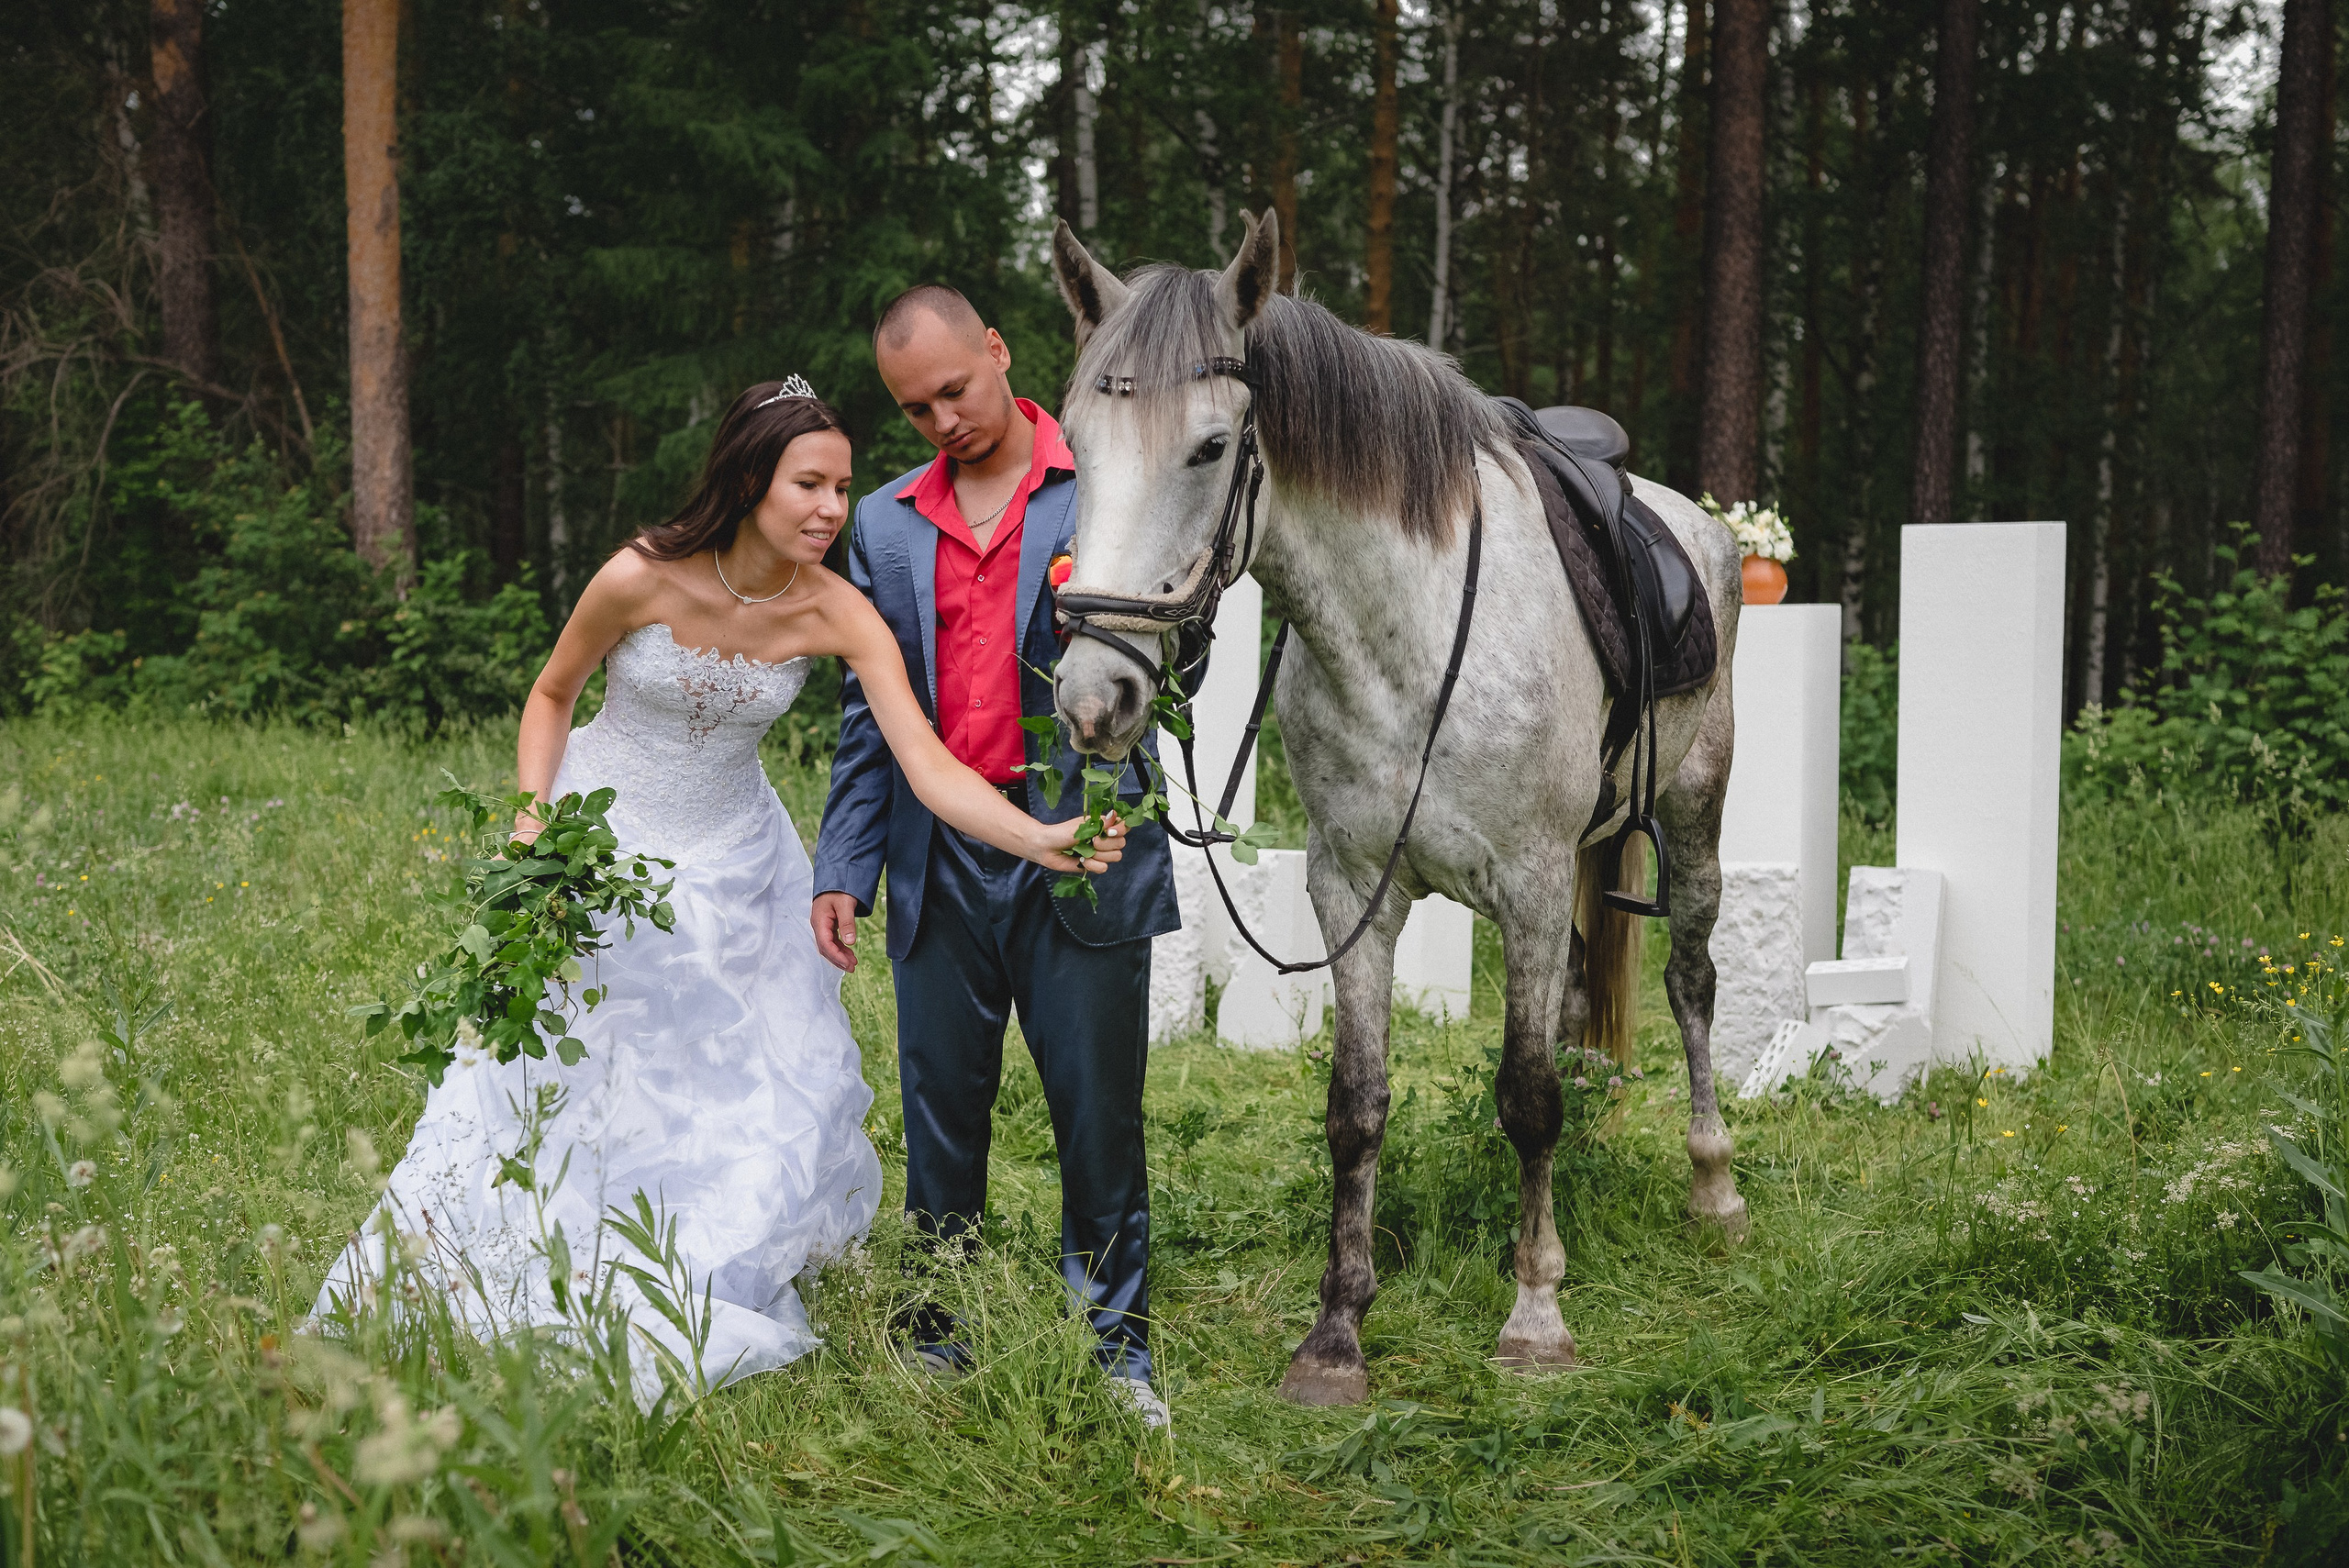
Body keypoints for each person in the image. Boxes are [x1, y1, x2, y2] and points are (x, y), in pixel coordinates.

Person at [314, 379, 1122, 1397]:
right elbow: (552, 693)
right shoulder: (640, 575)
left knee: (741, 1085)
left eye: (842, 488)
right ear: (749, 481)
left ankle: (693, 1253)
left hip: (740, 865)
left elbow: (924, 764)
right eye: (808, 485)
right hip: (600, 846)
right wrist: (532, 833)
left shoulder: (836, 608)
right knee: (571, 1074)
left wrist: (1037, 837)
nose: (832, 509)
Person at [811, 286, 1178, 1429]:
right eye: (914, 409)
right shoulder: (883, 526)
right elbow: (868, 718)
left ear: (999, 352)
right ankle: (939, 1332)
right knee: (940, 1111)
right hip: (937, 854)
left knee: (1098, 1113)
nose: (942, 421)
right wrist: (844, 863)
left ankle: (1117, 1351)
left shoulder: (1108, 487)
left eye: (954, 391)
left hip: (1082, 842)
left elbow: (1172, 644)